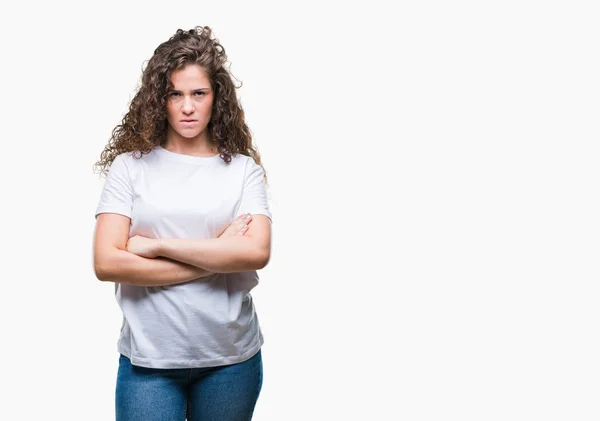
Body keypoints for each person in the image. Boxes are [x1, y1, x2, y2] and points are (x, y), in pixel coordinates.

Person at [92, 26, 272, 421]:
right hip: (150, 363)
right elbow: (107, 263)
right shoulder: (130, 167)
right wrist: (220, 252)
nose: (187, 106)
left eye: (198, 93)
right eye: (175, 94)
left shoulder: (243, 172)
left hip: (231, 361)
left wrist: (157, 246)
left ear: (215, 98)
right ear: (160, 100)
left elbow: (256, 253)